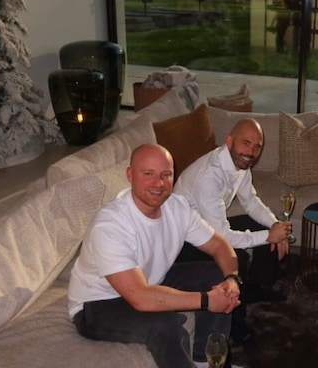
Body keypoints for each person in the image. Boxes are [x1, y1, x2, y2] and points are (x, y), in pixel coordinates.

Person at [67, 144, 242, 368]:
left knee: (217, 275)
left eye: (165, 175)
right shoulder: (110, 225)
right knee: (165, 324)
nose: (159, 183)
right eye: (148, 174)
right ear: (130, 175)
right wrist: (208, 300)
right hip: (99, 303)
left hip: (147, 280)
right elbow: (141, 297)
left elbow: (219, 245)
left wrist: (232, 280)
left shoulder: (177, 207)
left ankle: (206, 361)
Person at [174, 118, 292, 345]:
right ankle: (236, 326)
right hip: (184, 242)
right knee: (236, 257)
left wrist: (274, 225)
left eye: (257, 147)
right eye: (246, 143)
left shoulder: (240, 165)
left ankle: (256, 287)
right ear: (229, 141)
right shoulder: (209, 176)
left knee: (261, 225)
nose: (251, 152)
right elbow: (223, 237)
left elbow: (251, 202)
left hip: (207, 228)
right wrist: (269, 237)